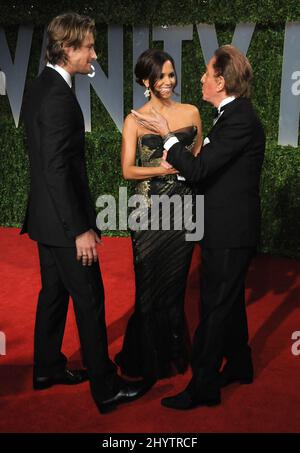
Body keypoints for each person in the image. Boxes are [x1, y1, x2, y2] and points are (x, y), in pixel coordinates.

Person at [21, 12, 146, 414]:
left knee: (54, 295)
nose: (94, 53)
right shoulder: (58, 97)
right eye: (89, 46)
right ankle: (107, 389)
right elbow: (57, 169)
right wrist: (79, 229)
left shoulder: (40, 87)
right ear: (69, 49)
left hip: (44, 218)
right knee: (90, 299)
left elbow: (42, 160)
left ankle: (46, 368)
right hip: (63, 223)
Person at [131, 44, 265, 409]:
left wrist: (167, 137)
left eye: (207, 74)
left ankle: (203, 387)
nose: (201, 79)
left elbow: (200, 170)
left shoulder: (239, 119)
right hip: (225, 229)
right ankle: (240, 365)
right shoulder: (231, 115)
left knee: (214, 308)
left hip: (229, 232)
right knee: (231, 302)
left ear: (220, 81)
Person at [115, 48, 202, 384]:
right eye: (161, 76)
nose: (169, 81)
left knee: (176, 286)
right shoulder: (134, 119)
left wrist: (184, 170)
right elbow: (126, 170)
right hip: (148, 211)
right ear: (145, 81)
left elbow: (196, 161)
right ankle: (147, 358)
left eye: (171, 74)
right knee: (148, 287)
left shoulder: (192, 112)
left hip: (183, 208)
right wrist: (158, 169)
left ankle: (173, 354)